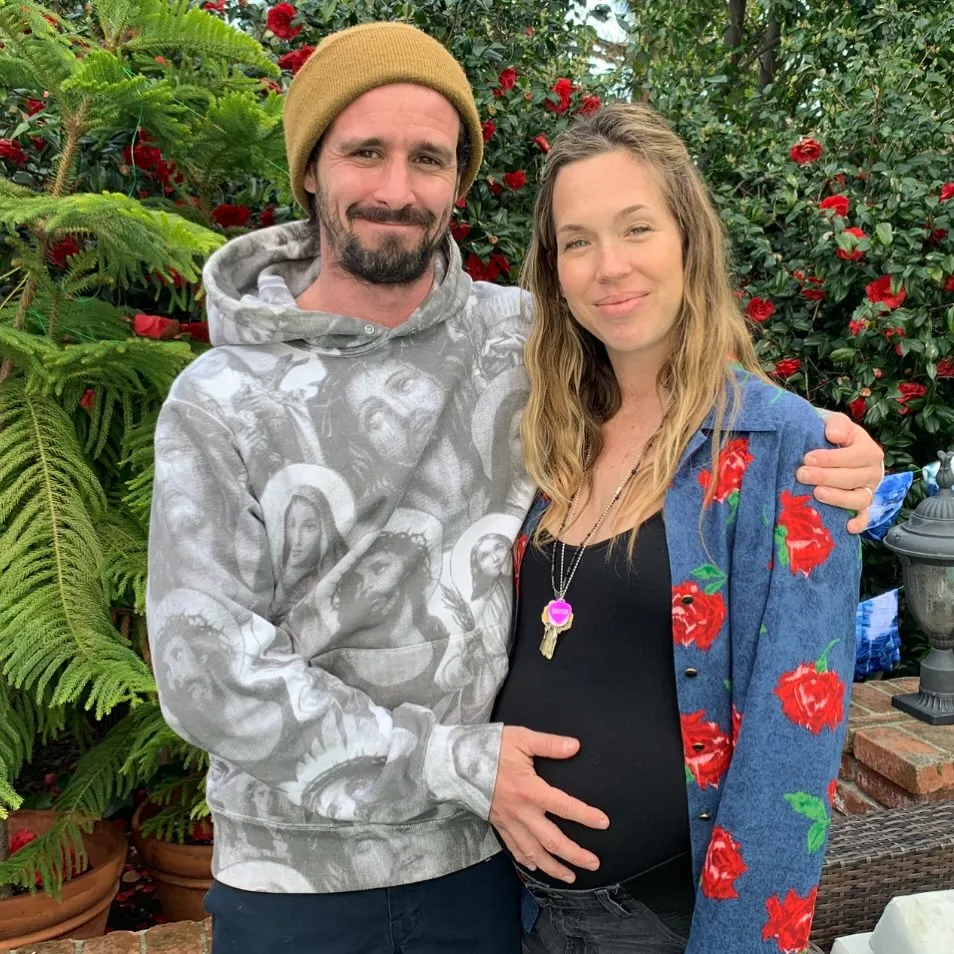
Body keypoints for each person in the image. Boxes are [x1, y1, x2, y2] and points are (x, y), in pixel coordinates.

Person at [145, 22, 884, 954]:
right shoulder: (220, 400)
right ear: (309, 169)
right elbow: (203, 674)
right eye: (364, 152)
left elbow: (681, 370)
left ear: (459, 182)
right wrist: (458, 762)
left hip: (489, 883)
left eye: (428, 159)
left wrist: (841, 452)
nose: (396, 188)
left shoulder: (522, 346)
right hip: (303, 881)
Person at [491, 102, 862, 954]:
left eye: (635, 229)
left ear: (688, 239)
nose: (608, 266)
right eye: (577, 241)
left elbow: (792, 752)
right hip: (523, 913)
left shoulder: (782, 447)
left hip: (663, 924)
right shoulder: (551, 429)